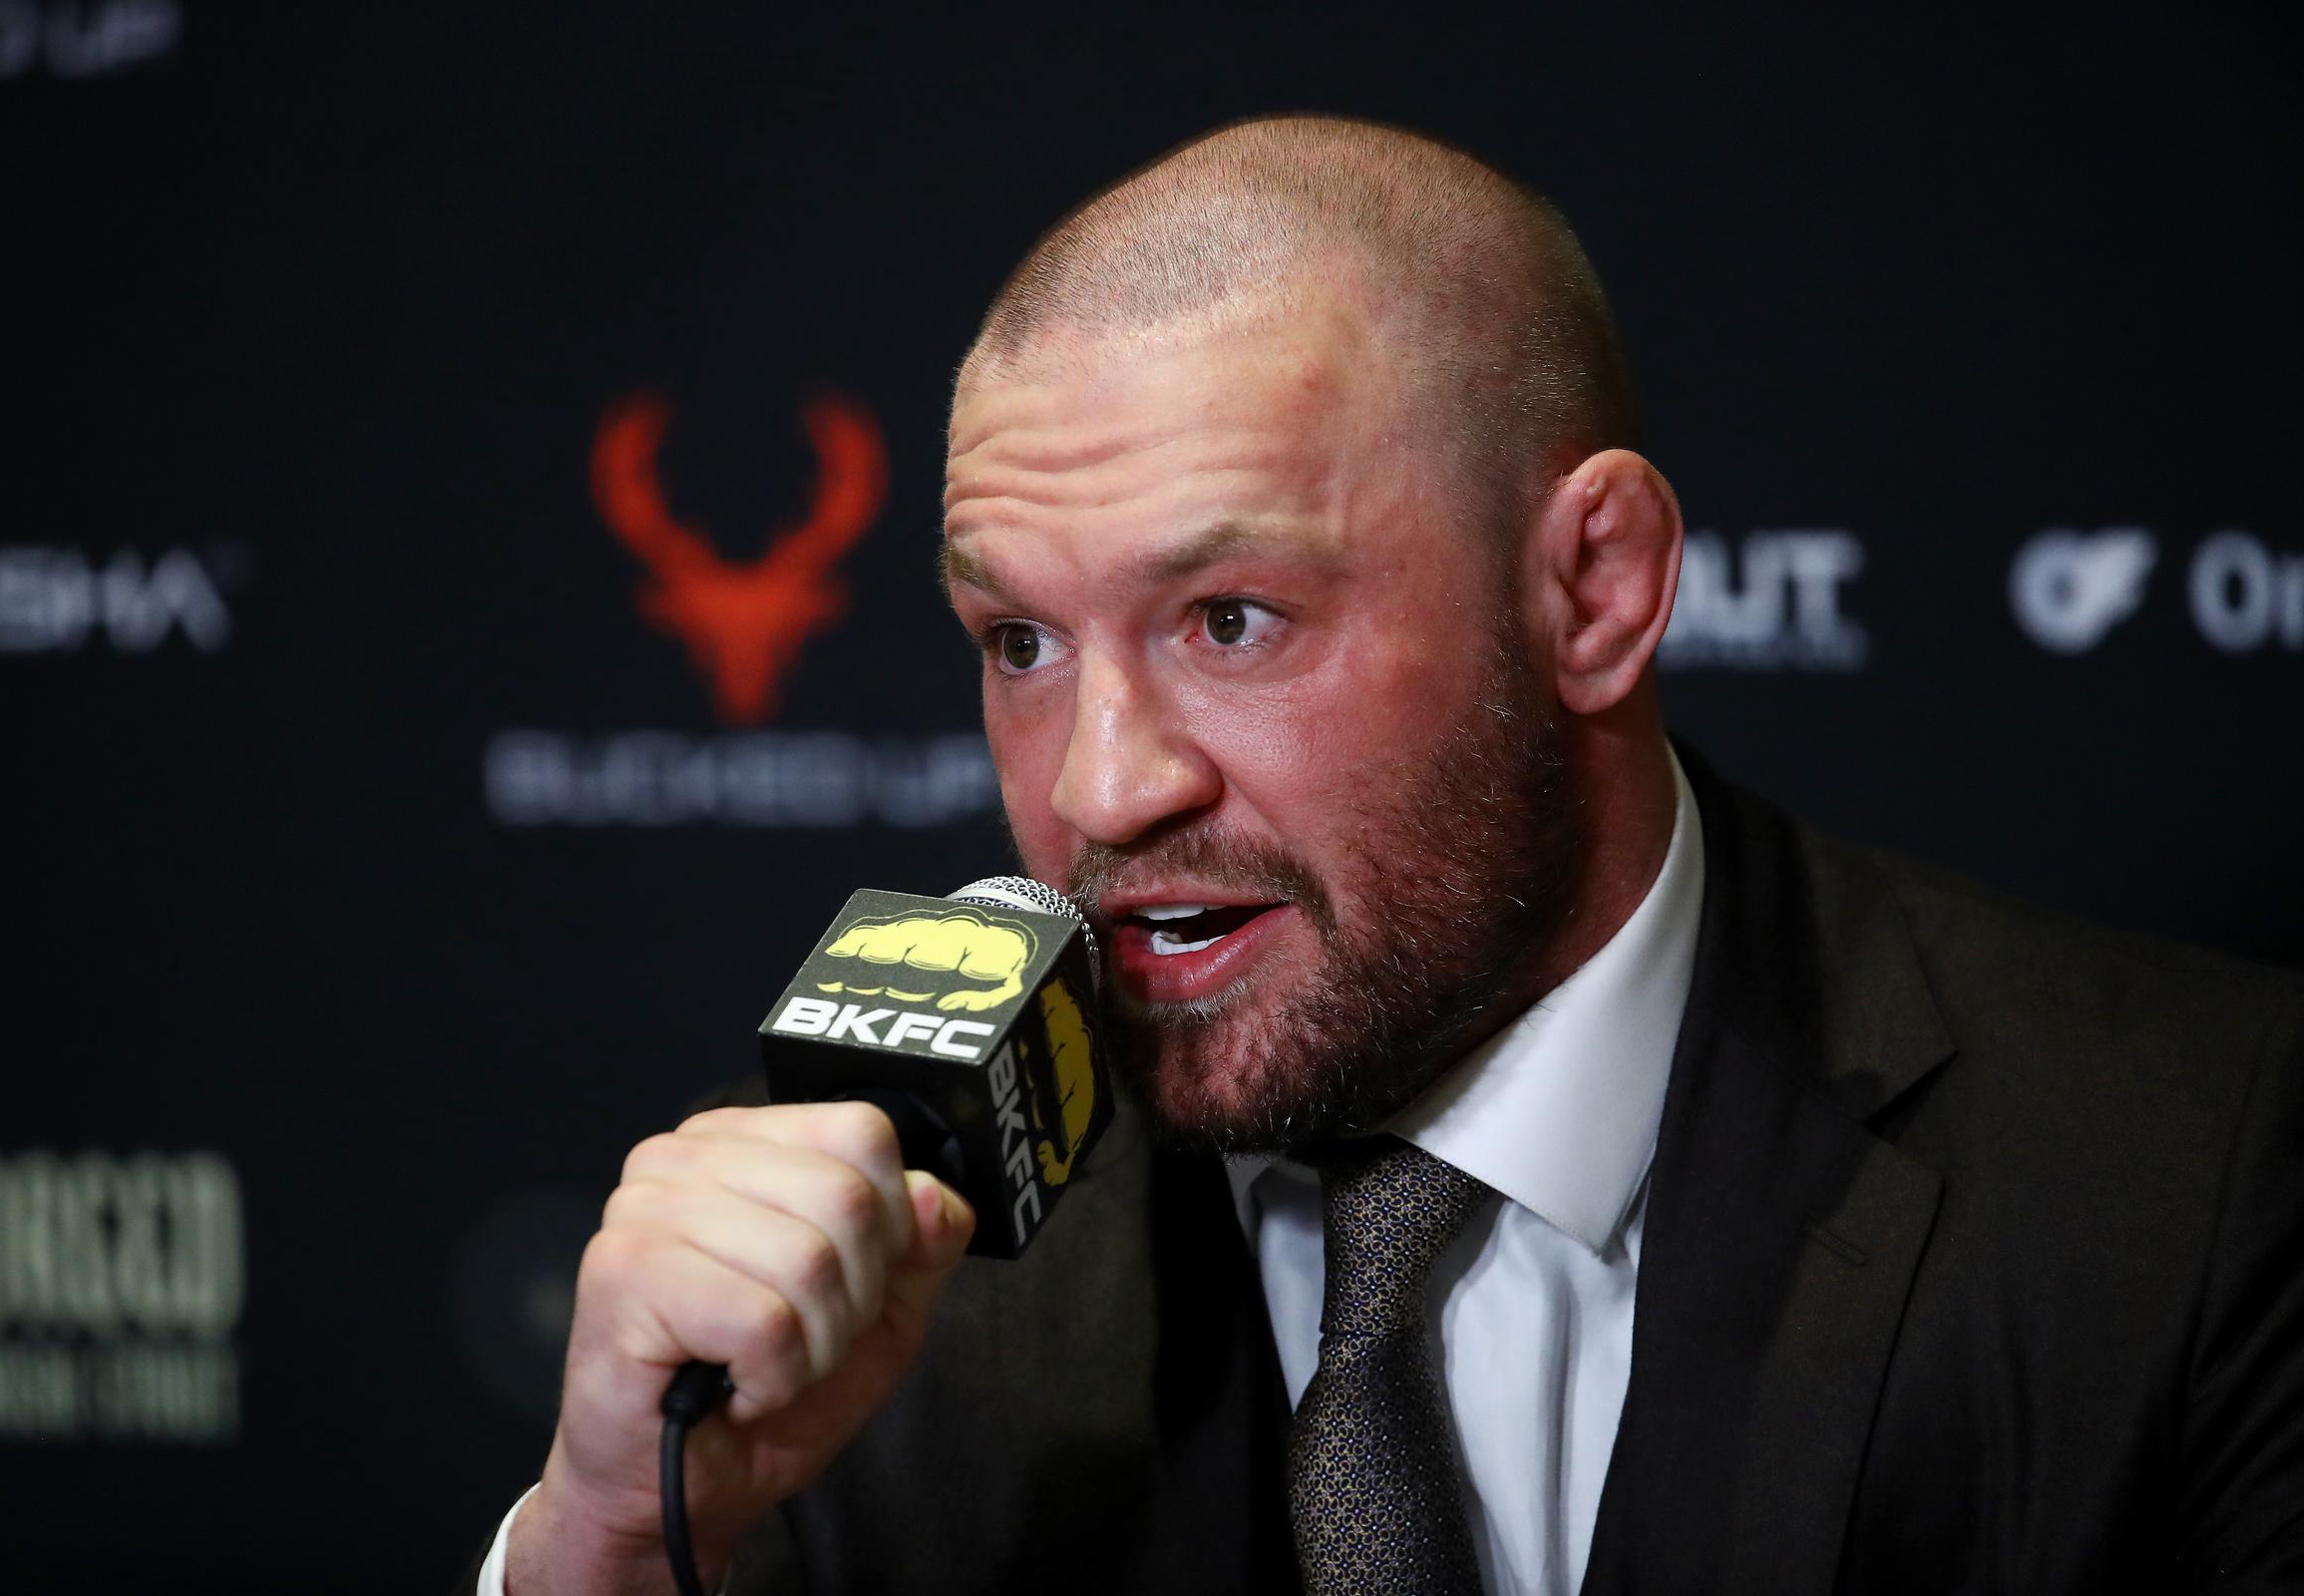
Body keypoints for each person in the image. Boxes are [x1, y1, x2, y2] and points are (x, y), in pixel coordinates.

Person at [469, 116, 2304, 1595]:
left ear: (1591, 589)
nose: (1101, 791)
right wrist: (610, 1544)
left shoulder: (2199, 1177)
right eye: (1018, 644)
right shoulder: (870, 1257)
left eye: (1233, 618)